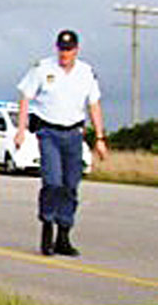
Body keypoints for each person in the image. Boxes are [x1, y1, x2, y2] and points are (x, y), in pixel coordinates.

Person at [14, 30, 108, 256]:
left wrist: (100, 138)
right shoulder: (43, 68)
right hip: (49, 132)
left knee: (70, 185)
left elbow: (94, 105)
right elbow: (26, 96)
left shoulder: (86, 73)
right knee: (52, 181)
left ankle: (63, 235)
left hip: (74, 133)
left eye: (69, 49)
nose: (64, 53)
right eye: (61, 49)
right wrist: (20, 130)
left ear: (76, 50)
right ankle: (47, 225)